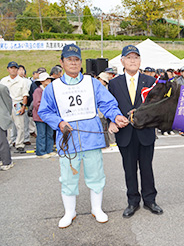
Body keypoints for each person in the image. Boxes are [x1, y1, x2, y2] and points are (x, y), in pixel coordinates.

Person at [38, 44, 129, 228]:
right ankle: (69, 212)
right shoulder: (52, 87)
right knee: (68, 177)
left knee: (96, 175)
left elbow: (107, 103)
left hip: (92, 138)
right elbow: (45, 111)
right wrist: (59, 123)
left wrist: (116, 115)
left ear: (81, 62)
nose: (73, 63)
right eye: (69, 59)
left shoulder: (92, 83)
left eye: (76, 59)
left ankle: (97, 208)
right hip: (67, 140)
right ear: (62, 62)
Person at [108, 44, 164, 218]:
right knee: (129, 168)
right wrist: (112, 121)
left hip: (145, 133)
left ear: (140, 60)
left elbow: (158, 106)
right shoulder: (114, 83)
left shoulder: (150, 82)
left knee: (147, 167)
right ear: (122, 61)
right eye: (129, 57)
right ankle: (133, 201)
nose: (133, 61)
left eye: (136, 57)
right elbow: (109, 106)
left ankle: (150, 200)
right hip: (125, 134)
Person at [0, 61, 29, 153]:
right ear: (8, 69)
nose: (13, 70)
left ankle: (20, 143)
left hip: (17, 103)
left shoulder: (22, 81)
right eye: (11, 68)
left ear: (17, 70)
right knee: (6, 125)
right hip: (5, 103)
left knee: (20, 125)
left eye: (15, 68)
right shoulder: (3, 81)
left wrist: (23, 106)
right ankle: (7, 142)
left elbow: (25, 95)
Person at [32, 73, 55, 158]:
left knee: (49, 133)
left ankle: (49, 149)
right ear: (42, 81)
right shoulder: (38, 91)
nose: (49, 81)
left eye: (49, 79)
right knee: (42, 134)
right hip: (40, 116)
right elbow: (37, 104)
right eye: (47, 79)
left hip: (49, 116)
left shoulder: (49, 90)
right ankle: (40, 152)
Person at [0, 84, 14, 171]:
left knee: (2, 141)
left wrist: (6, 114)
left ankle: (7, 162)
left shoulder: (2, 87)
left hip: (1, 118)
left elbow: (8, 102)